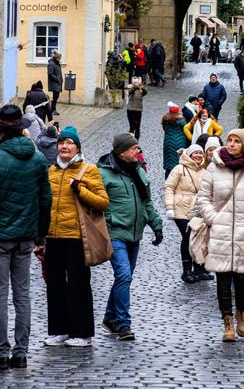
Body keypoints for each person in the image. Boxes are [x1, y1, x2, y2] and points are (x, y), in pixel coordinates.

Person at [0, 104, 51, 369]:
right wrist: (41, 234)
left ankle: (2, 352)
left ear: (1, 131)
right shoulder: (38, 158)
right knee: (22, 294)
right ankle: (21, 351)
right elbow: (45, 199)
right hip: (26, 235)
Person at [195, 128, 244, 343]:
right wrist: (213, 218)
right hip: (221, 230)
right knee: (223, 278)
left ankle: (241, 311)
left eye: (237, 141)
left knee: (242, 277)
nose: (232, 144)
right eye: (230, 140)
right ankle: (227, 321)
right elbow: (203, 198)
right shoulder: (214, 168)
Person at [43, 126, 109, 348]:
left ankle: (82, 333)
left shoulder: (88, 170)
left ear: (78, 147)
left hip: (76, 237)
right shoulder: (51, 171)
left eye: (69, 143)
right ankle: (58, 330)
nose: (64, 146)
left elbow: (103, 202)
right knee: (54, 284)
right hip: (52, 236)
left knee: (78, 285)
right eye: (61, 143)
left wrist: (81, 190)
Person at [98, 132, 163, 340]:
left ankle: (110, 318)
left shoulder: (139, 172)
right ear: (122, 152)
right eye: (134, 148)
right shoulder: (103, 173)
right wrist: (109, 221)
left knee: (123, 278)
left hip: (134, 235)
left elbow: (147, 202)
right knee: (124, 275)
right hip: (115, 233)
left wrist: (156, 225)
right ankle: (124, 324)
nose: (138, 151)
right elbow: (98, 203)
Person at [164, 143, 211, 284]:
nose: (198, 155)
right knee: (188, 236)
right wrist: (169, 207)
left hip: (198, 209)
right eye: (195, 153)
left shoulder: (205, 171)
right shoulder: (179, 169)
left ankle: (199, 267)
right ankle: (186, 270)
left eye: (200, 153)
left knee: (199, 237)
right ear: (189, 155)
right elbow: (169, 187)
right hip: (181, 209)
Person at [160, 102, 187, 178]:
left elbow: (165, 129)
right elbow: (186, 129)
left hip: (168, 143)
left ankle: (168, 180)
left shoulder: (165, 119)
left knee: (169, 163)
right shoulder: (181, 120)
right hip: (181, 142)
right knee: (179, 162)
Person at [47, 51, 64, 117]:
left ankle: (52, 109)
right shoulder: (51, 63)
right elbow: (50, 74)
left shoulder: (56, 63)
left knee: (56, 97)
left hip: (57, 83)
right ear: (56, 58)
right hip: (55, 83)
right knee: (55, 96)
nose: (59, 59)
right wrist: (57, 79)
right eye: (58, 58)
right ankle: (52, 109)